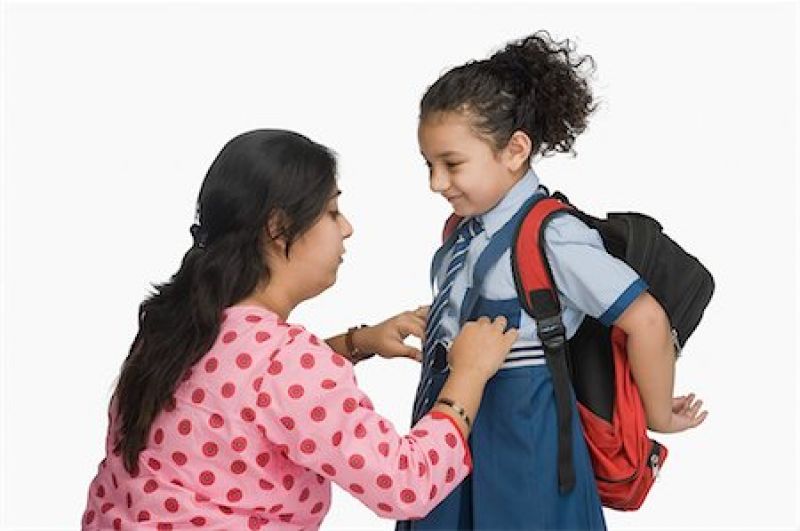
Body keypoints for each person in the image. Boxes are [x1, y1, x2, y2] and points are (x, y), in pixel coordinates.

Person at [81, 129, 519, 530]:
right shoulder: (285, 363)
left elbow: (237, 388)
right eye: (331, 211)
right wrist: (468, 375)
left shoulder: (174, 323)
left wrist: (356, 343)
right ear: (279, 228)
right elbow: (407, 483)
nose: (347, 228)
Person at [400, 31, 708, 530]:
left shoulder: (553, 237)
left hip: (523, 447)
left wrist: (658, 414)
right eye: (428, 165)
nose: (436, 182)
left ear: (515, 150)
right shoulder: (462, 232)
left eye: (452, 164)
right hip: (450, 430)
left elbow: (647, 319)